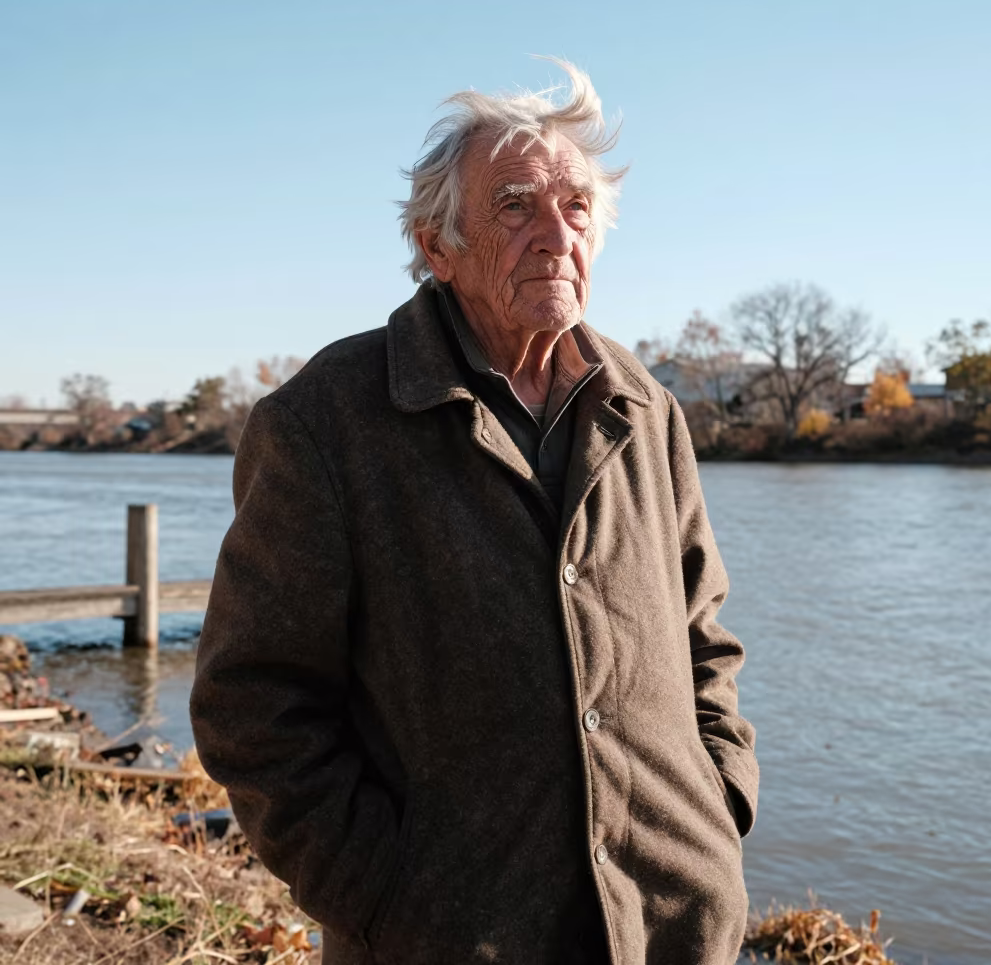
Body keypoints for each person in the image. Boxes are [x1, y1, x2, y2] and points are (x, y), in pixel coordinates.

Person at [190, 60, 758, 965]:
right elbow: (250, 703)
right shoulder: (325, 420)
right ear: (435, 244)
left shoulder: (645, 408)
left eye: (576, 209)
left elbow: (703, 639)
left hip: (671, 926)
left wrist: (718, 809)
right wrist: (381, 896)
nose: (552, 234)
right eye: (515, 205)